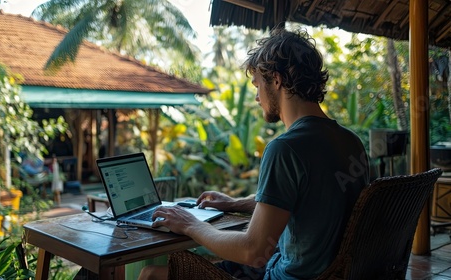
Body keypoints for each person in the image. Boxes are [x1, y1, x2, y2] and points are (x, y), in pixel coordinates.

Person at [138, 25, 369, 280]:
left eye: (257, 84)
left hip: (285, 276)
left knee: (150, 274)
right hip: (330, 274)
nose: (257, 97)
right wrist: (234, 203)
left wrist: (191, 224)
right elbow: (309, 203)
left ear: (277, 80)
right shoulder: (351, 142)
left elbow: (253, 250)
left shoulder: (286, 148)